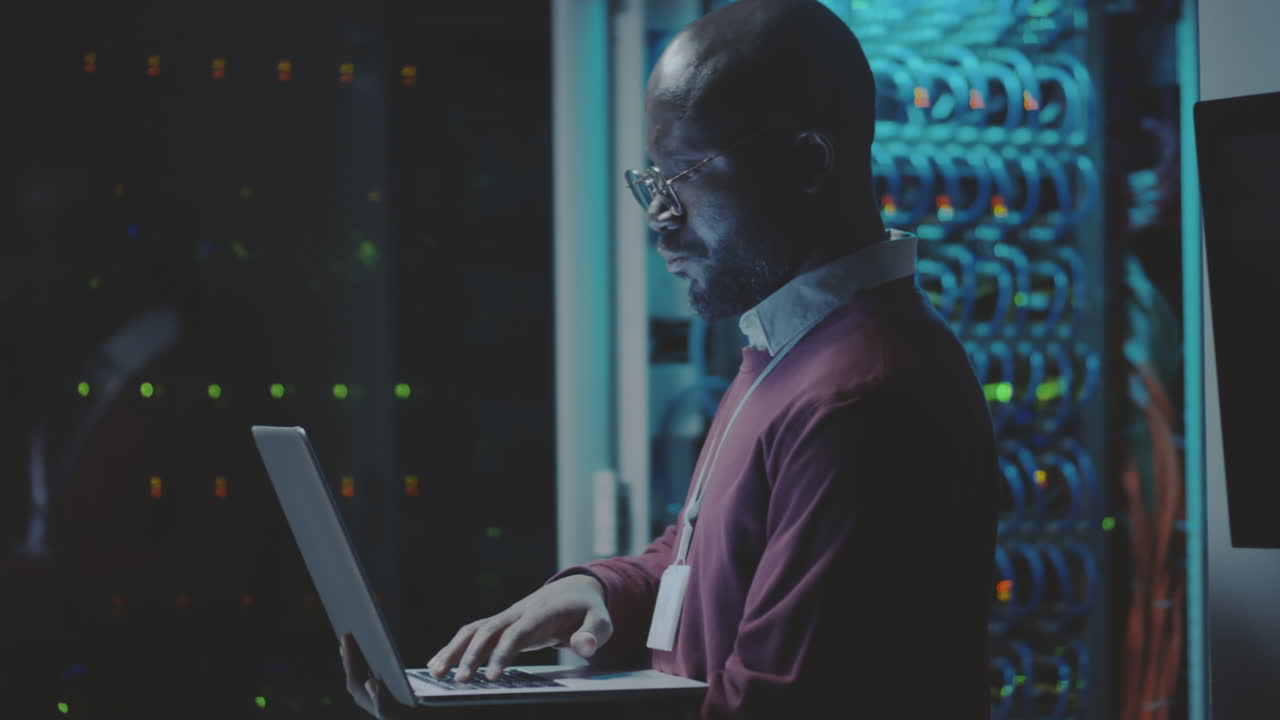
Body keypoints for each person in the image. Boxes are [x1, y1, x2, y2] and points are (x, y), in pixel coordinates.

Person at [341, 1, 998, 718]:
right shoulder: (795, 349)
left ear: (808, 161)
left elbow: (778, 704)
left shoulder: (863, 398)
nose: (660, 218)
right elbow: (711, 562)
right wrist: (597, 590)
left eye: (684, 176)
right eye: (653, 181)